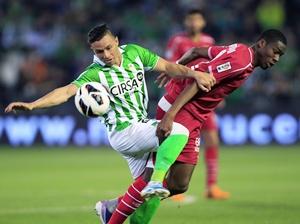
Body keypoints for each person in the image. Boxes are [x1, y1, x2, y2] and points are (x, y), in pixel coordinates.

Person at [4, 24, 216, 224]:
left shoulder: (134, 53)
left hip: (140, 127)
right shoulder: (94, 73)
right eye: (99, 52)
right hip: (125, 132)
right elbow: (67, 91)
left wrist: (195, 73)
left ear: (116, 41)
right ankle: (153, 181)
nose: (105, 55)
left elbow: (169, 67)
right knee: (178, 131)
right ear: (92, 51)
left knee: (146, 198)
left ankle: (112, 210)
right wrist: (33, 105)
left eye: (108, 48)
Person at [103, 29, 287, 224]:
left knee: (179, 184)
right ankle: (118, 217)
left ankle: (116, 205)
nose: (276, 58)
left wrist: (174, 68)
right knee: (152, 179)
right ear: (261, 44)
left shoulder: (240, 52)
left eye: (280, 55)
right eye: (275, 51)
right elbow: (200, 81)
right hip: (181, 110)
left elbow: (196, 52)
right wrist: (171, 114)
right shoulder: (241, 62)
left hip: (193, 116)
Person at [165, 8, 229, 200]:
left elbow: (216, 69)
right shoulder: (177, 41)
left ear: (202, 23)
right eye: (190, 20)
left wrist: (219, 95)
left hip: (204, 99)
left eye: (197, 20)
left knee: (212, 140)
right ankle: (171, 183)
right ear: (186, 22)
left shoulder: (209, 42)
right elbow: (170, 66)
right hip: (182, 97)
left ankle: (211, 186)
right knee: (177, 141)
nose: (194, 23)